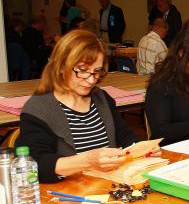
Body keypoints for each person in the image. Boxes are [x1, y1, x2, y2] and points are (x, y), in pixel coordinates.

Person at [17, 29, 161, 183]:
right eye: (82, 70)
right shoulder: (39, 109)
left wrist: (142, 148)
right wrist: (86, 161)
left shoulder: (101, 98)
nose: (91, 80)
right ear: (60, 66)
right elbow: (35, 165)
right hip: (67, 196)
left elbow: (124, 135)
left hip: (107, 186)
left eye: (97, 72)